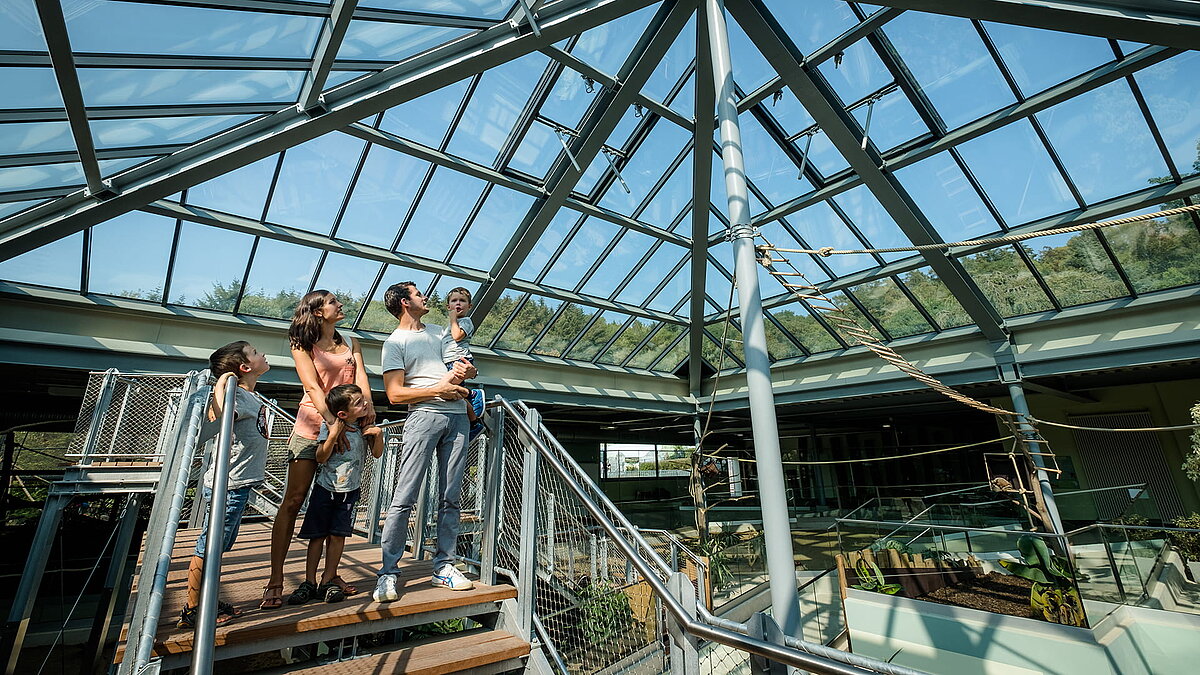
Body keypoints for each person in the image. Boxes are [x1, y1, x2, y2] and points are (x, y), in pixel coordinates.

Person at [262, 291, 373, 610]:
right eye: (334, 302)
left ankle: (329, 575)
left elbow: (361, 377)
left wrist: (366, 411)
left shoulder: (352, 341)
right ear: (318, 312)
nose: (341, 305)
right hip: (311, 428)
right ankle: (276, 580)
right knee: (294, 500)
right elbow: (312, 386)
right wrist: (332, 425)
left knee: (336, 501)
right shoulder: (302, 344)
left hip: (347, 430)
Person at [373, 282, 477, 603]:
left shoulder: (440, 331)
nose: (425, 297)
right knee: (405, 496)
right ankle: (388, 571)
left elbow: (458, 363)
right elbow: (395, 394)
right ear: (405, 303)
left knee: (451, 497)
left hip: (457, 415)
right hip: (424, 417)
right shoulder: (394, 343)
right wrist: (438, 391)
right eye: (418, 294)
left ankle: (443, 566)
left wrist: (467, 371)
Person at [179, 341, 271, 628]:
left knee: (219, 545)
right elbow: (217, 418)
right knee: (210, 545)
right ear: (244, 367)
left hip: (238, 484)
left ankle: (207, 599)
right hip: (227, 485)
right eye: (255, 353)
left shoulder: (251, 397)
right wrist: (222, 383)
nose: (263, 354)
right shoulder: (237, 396)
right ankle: (193, 608)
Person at [289, 384, 384, 604]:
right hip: (326, 489)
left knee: (338, 536)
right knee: (317, 536)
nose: (366, 404)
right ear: (343, 413)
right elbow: (321, 457)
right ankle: (309, 581)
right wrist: (333, 435)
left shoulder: (365, 427)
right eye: (359, 403)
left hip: (349, 492)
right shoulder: (330, 426)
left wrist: (377, 435)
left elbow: (377, 454)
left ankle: (328, 578)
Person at [445, 287, 485, 441]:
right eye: (454, 301)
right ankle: (471, 401)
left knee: (452, 391)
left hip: (459, 361)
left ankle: (474, 416)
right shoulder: (448, 327)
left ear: (470, 306)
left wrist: (453, 319)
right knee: (453, 393)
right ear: (448, 306)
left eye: (462, 301)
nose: (458, 304)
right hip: (449, 362)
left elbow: (457, 336)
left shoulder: (466, 322)